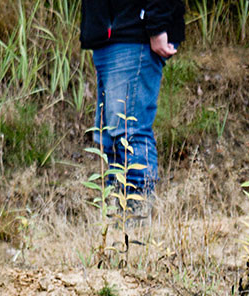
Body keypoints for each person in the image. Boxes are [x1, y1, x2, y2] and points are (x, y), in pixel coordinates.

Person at [80, 0, 186, 203]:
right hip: (109, 34)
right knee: (110, 141)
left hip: (133, 32)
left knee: (129, 135)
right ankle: (119, 221)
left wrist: (157, 25)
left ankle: (136, 223)